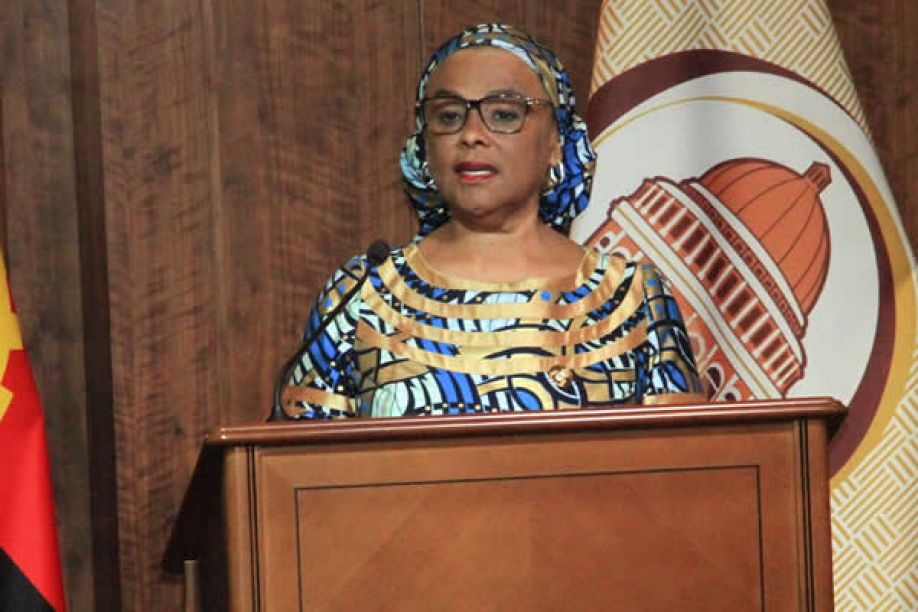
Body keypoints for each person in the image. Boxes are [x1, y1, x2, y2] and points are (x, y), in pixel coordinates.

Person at [284, 23, 704, 418]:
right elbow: (298, 465)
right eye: (449, 115)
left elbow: (686, 464)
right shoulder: (361, 294)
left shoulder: (631, 298)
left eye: (503, 114)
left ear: (556, 141)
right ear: (424, 143)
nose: (471, 134)